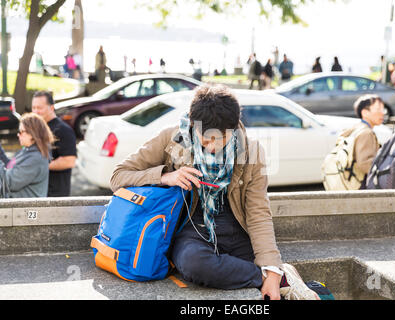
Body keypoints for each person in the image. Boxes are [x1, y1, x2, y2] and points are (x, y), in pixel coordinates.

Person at [110, 84, 320, 300]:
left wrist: (271, 268)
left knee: (267, 265)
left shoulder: (252, 150)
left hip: (237, 230)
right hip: (192, 228)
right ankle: (280, 278)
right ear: (193, 124)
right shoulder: (170, 139)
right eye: (206, 139)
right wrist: (165, 177)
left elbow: (258, 213)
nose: (212, 146)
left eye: (221, 139)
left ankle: (277, 273)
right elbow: (118, 176)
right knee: (193, 264)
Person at [31, 91, 77, 197]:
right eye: (34, 108)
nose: (36, 111)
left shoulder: (63, 130)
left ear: (51, 108)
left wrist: (39, 167)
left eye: (39, 108)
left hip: (55, 195)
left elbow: (69, 161)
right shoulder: (37, 129)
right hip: (38, 192)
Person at [0, 113, 54, 198]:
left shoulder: (36, 159)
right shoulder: (27, 151)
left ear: (32, 134)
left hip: (23, 210)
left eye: (21, 132)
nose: (18, 135)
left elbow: (7, 182)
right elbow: (9, 166)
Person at [339, 95, 384, 189]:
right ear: (365, 112)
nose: (382, 113)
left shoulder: (356, 128)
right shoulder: (366, 133)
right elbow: (364, 163)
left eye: (383, 109)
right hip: (360, 185)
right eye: (378, 109)